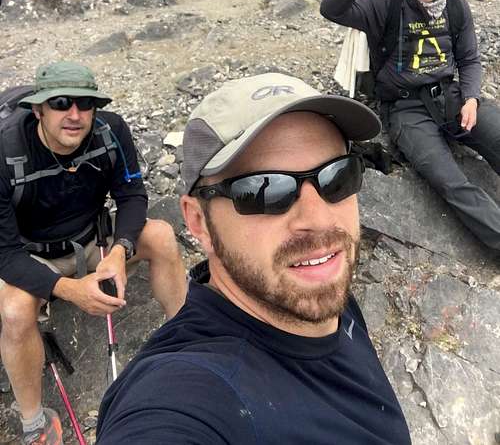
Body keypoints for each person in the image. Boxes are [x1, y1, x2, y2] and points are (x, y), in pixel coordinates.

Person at [96, 72, 411, 444]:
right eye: (265, 190)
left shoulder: (316, 289)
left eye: (337, 177)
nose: (319, 219)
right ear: (199, 222)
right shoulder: (185, 395)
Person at [0, 61, 187, 445]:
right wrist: (70, 289)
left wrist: (121, 249)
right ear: (38, 110)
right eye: (61, 103)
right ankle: (35, 420)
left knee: (162, 235)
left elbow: (132, 195)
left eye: (85, 103)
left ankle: (187, 340)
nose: (75, 114)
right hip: (31, 254)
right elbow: (4, 255)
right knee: (16, 310)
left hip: (92, 242)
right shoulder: (5, 153)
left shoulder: (111, 132)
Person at [320, 0, 500, 249]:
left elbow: (470, 60)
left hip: (452, 97)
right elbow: (331, 9)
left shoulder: (456, 5)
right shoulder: (385, 2)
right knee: (451, 182)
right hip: (405, 109)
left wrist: (472, 98)